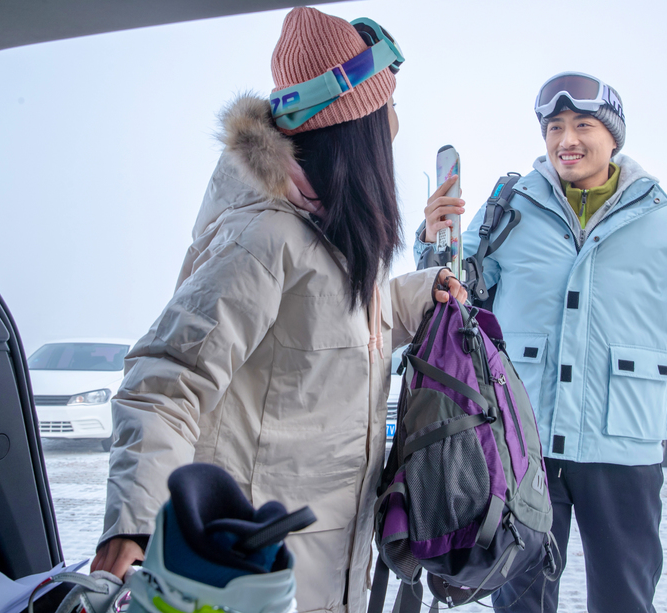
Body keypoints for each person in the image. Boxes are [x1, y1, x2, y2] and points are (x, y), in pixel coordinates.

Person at [90, 7, 465, 613]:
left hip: (328, 560)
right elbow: (164, 385)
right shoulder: (264, 238)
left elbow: (335, 335)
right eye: (386, 110)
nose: (396, 123)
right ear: (353, 133)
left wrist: (422, 294)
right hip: (259, 566)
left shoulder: (331, 233)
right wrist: (133, 526)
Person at [415, 71, 667, 612]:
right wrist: (431, 241)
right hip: (524, 443)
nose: (567, 140)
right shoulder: (505, 212)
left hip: (623, 447)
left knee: (625, 600)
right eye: (554, 127)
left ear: (613, 138)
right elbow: (449, 288)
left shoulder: (663, 220)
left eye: (583, 125)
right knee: (518, 600)